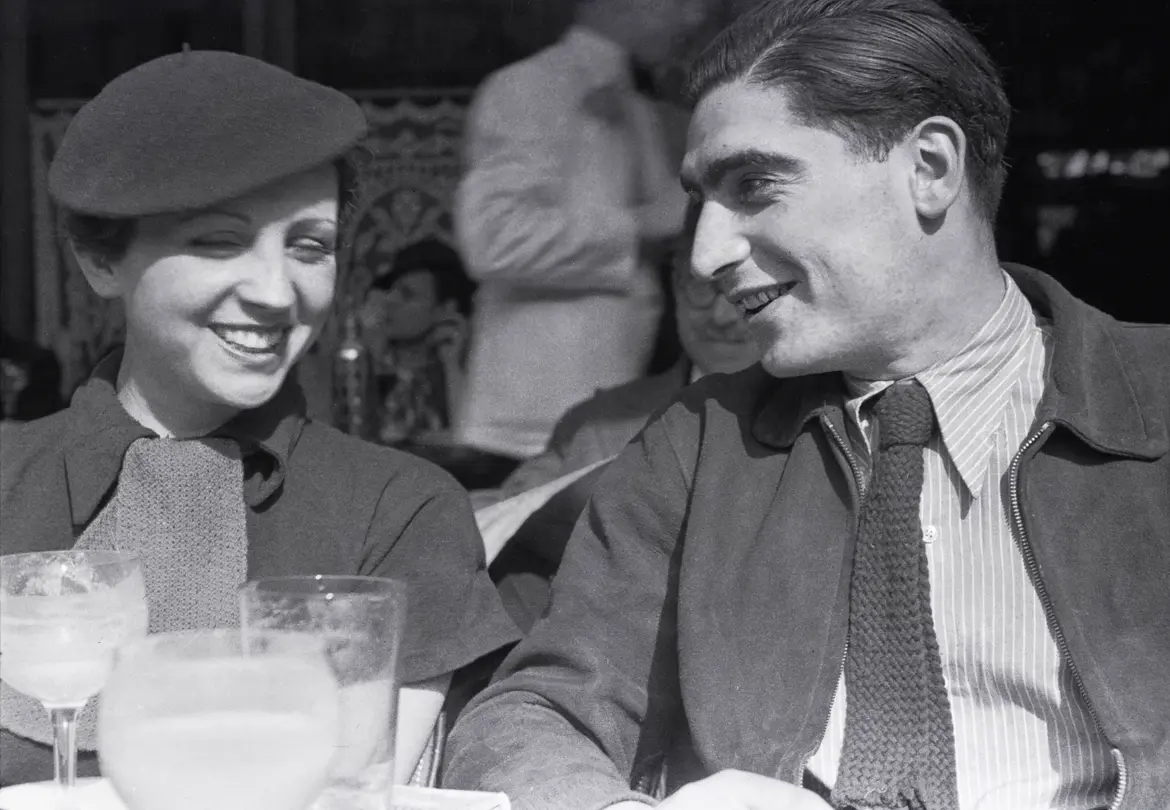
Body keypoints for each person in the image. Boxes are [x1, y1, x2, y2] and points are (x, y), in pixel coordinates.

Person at [442, 1, 1170, 809]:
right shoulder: (696, 445)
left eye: (755, 184)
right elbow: (533, 716)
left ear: (929, 167)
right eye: (701, 201)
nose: (706, 252)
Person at [0, 51, 520, 786]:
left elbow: (348, 795)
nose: (278, 292)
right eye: (219, 241)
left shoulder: (400, 510)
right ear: (98, 260)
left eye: (310, 246)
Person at [452, 0, 720, 463]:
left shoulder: (642, 103)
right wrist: (640, 226)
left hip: (627, 405)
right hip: (537, 422)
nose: (694, 17)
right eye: (680, 1)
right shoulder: (530, 87)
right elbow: (492, 239)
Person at [479, 216, 761, 631]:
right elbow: (505, 529)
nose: (721, 315)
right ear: (675, 281)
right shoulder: (597, 424)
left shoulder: (839, 418)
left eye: (743, 289)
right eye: (702, 285)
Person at [359, 239, 476, 444]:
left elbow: (468, 443)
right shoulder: (371, 360)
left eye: (407, 294)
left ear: (445, 309)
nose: (389, 300)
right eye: (390, 290)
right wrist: (371, 349)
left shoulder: (469, 366)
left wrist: (452, 364)